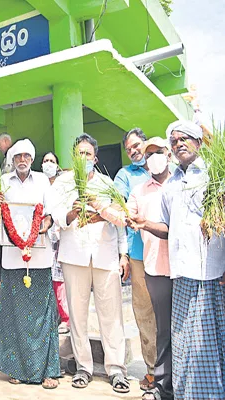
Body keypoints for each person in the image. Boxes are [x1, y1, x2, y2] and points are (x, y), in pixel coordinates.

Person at [130, 121, 225, 400]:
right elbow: (168, 229)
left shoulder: (214, 176)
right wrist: (144, 223)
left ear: (198, 142)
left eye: (185, 138)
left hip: (210, 272)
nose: (179, 143)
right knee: (183, 341)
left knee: (209, 341)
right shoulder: (171, 186)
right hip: (181, 273)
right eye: (174, 141)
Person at [49, 133, 130, 393]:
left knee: (112, 315)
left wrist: (123, 253)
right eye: (79, 154)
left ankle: (115, 368)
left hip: (105, 257)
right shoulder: (62, 183)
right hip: (74, 257)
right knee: (77, 314)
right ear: (74, 157)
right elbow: (55, 218)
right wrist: (72, 212)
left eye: (88, 154)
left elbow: (121, 220)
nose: (84, 158)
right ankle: (83, 366)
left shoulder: (107, 183)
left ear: (95, 157)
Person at [96, 137, 174, 400]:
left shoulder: (180, 182)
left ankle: (183, 377)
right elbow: (125, 215)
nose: (141, 154)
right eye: (130, 149)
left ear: (168, 154)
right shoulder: (136, 186)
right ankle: (156, 374)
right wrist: (100, 208)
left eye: (154, 151)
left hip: (183, 265)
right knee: (150, 318)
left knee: (180, 320)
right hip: (147, 259)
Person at [0, 139, 60, 389]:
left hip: (39, 256)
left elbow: (51, 213)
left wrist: (46, 224)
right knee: (14, 315)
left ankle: (48, 370)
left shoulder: (42, 181)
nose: (22, 160)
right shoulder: (4, 183)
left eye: (26, 156)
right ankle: (16, 368)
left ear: (32, 159)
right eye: (17, 156)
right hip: (12, 256)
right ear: (12, 159)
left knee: (42, 315)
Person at [114, 128, 157, 391]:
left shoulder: (167, 168)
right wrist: (125, 255)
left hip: (167, 253)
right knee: (144, 313)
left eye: (137, 145)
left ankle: (175, 368)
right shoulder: (125, 175)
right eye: (129, 148)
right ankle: (152, 370)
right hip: (140, 254)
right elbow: (121, 211)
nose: (134, 151)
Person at [41, 152, 69, 335]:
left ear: (57, 166)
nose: (48, 164)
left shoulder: (63, 186)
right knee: (46, 278)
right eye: (45, 161)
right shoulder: (37, 184)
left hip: (60, 235)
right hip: (42, 237)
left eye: (52, 161)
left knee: (60, 279)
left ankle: (66, 318)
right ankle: (50, 318)